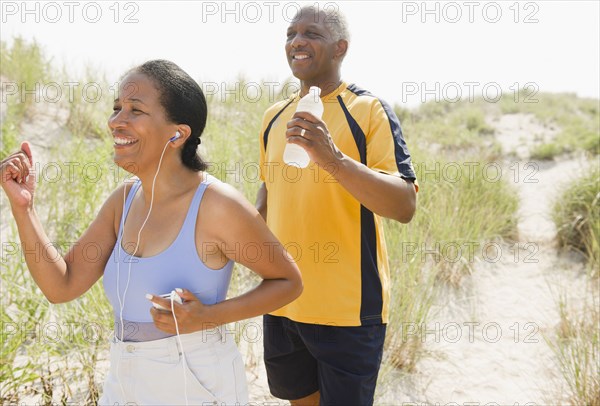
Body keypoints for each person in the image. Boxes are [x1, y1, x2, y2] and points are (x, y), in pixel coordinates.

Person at [0, 59, 302, 404]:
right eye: (117, 108)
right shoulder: (124, 200)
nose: (116, 121)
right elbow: (62, 285)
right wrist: (24, 209)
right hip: (123, 378)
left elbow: (289, 281)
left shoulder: (216, 204)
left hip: (196, 379)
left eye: (135, 110)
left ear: (178, 133)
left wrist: (208, 317)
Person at [256, 6, 418, 406]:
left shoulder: (368, 110)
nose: (296, 41)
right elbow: (266, 202)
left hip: (348, 311)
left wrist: (333, 160)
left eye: (311, 33)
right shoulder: (273, 116)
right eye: (290, 34)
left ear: (340, 48)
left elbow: (404, 205)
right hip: (283, 301)